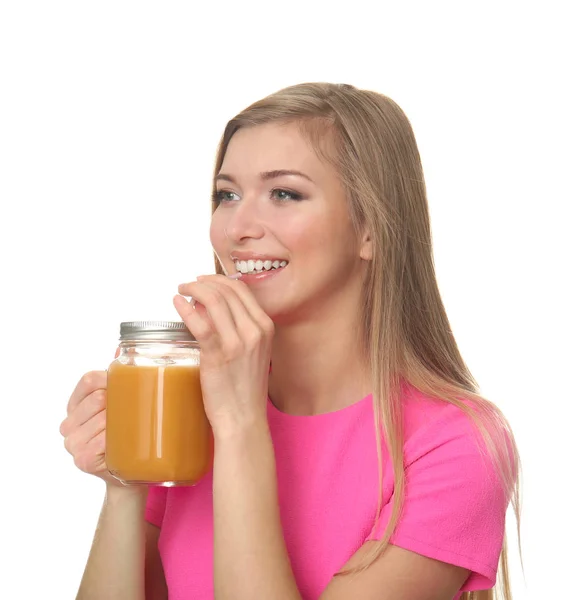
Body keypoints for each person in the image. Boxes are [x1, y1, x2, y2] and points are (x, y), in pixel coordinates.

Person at [59, 82, 521, 600]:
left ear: (370, 228)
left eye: (284, 193)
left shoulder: (455, 444)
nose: (237, 228)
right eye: (226, 195)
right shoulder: (192, 405)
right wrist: (125, 484)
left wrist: (239, 426)